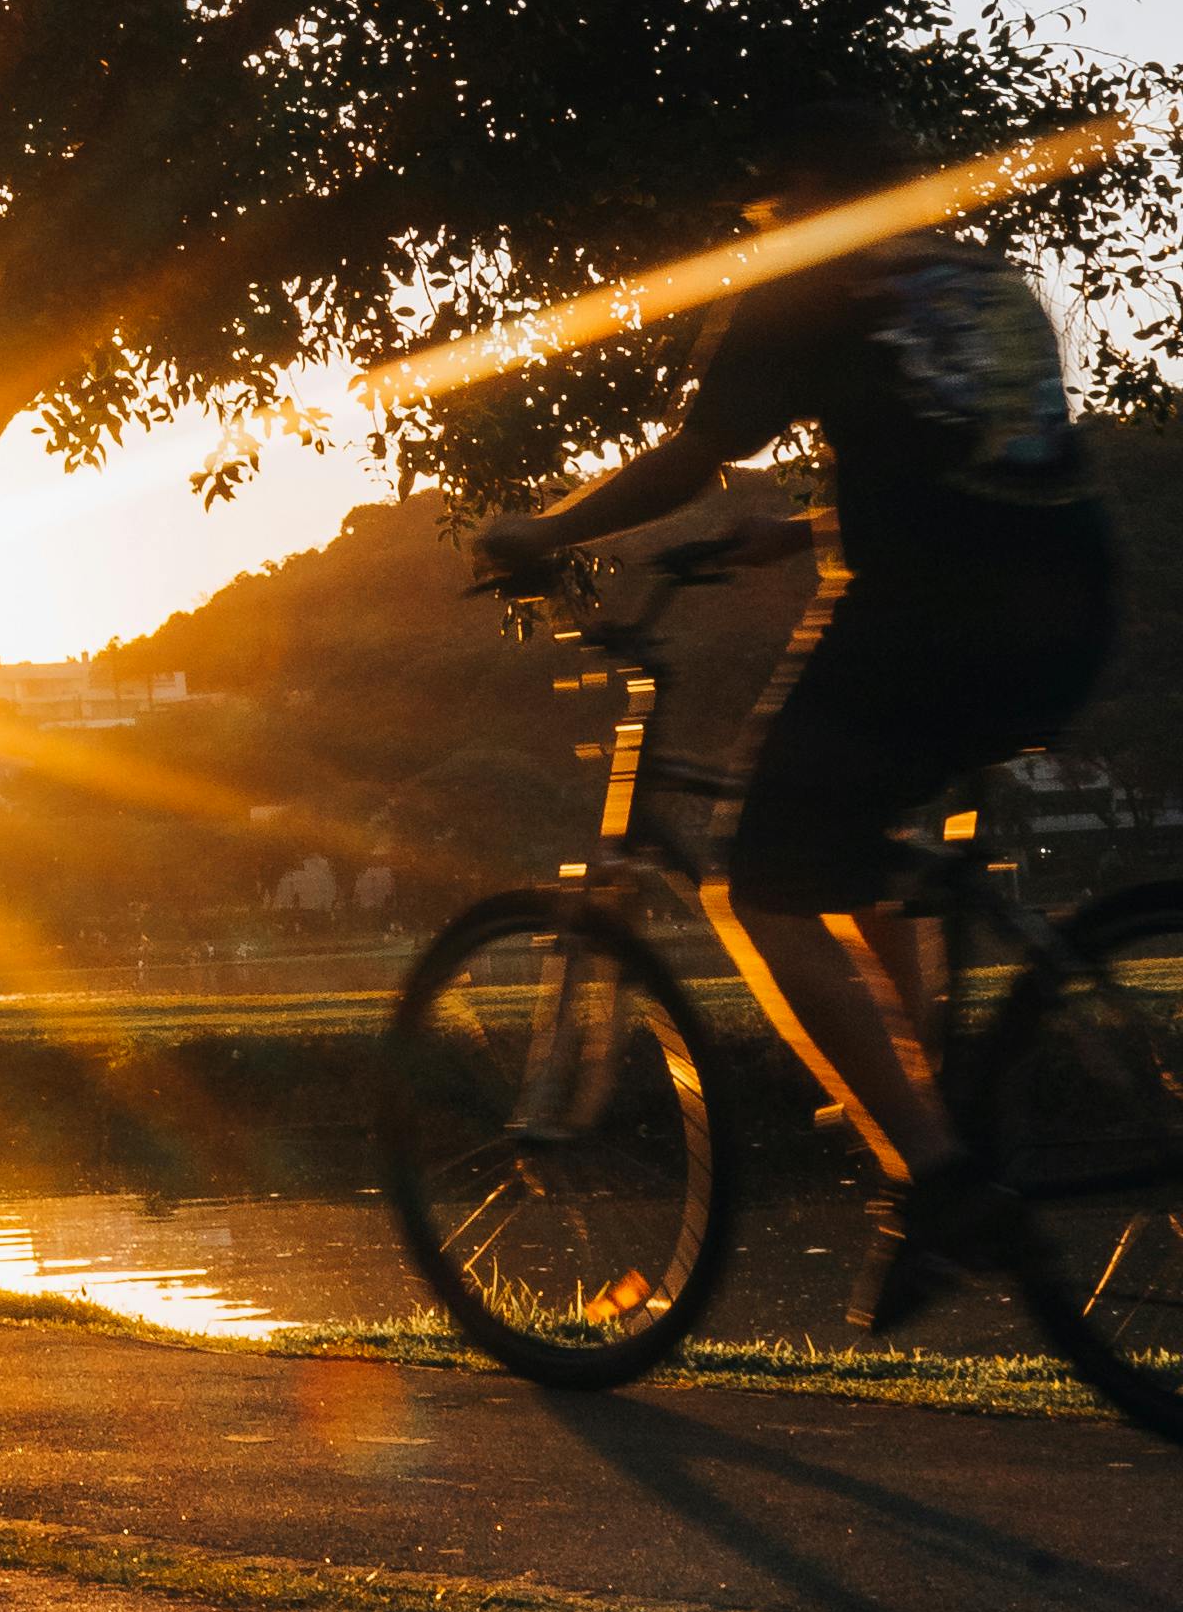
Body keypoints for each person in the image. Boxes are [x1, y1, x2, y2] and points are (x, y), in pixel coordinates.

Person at [477, 117, 1116, 1329]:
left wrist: (539, 533)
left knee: (756, 887)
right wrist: (804, 530)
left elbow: (690, 461)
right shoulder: (983, 284)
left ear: (809, 187)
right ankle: (912, 1135)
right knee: (851, 850)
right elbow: (976, 470)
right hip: (1069, 610)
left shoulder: (804, 286)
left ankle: (933, 1173)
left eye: (765, 194)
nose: (755, 216)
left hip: (926, 621)